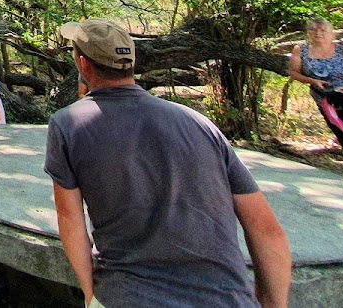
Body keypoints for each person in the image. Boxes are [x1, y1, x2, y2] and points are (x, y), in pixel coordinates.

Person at [45, 18, 291, 308]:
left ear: (84, 65)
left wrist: (90, 293)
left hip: (129, 295)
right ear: (131, 64)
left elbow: (70, 218)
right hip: (226, 298)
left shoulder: (67, 125)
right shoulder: (199, 123)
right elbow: (265, 229)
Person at [288, 18, 343, 183]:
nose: (318, 33)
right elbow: (294, 72)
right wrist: (312, 81)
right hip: (330, 106)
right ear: (308, 33)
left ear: (332, 33)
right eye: (313, 30)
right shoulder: (300, 51)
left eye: (323, 30)